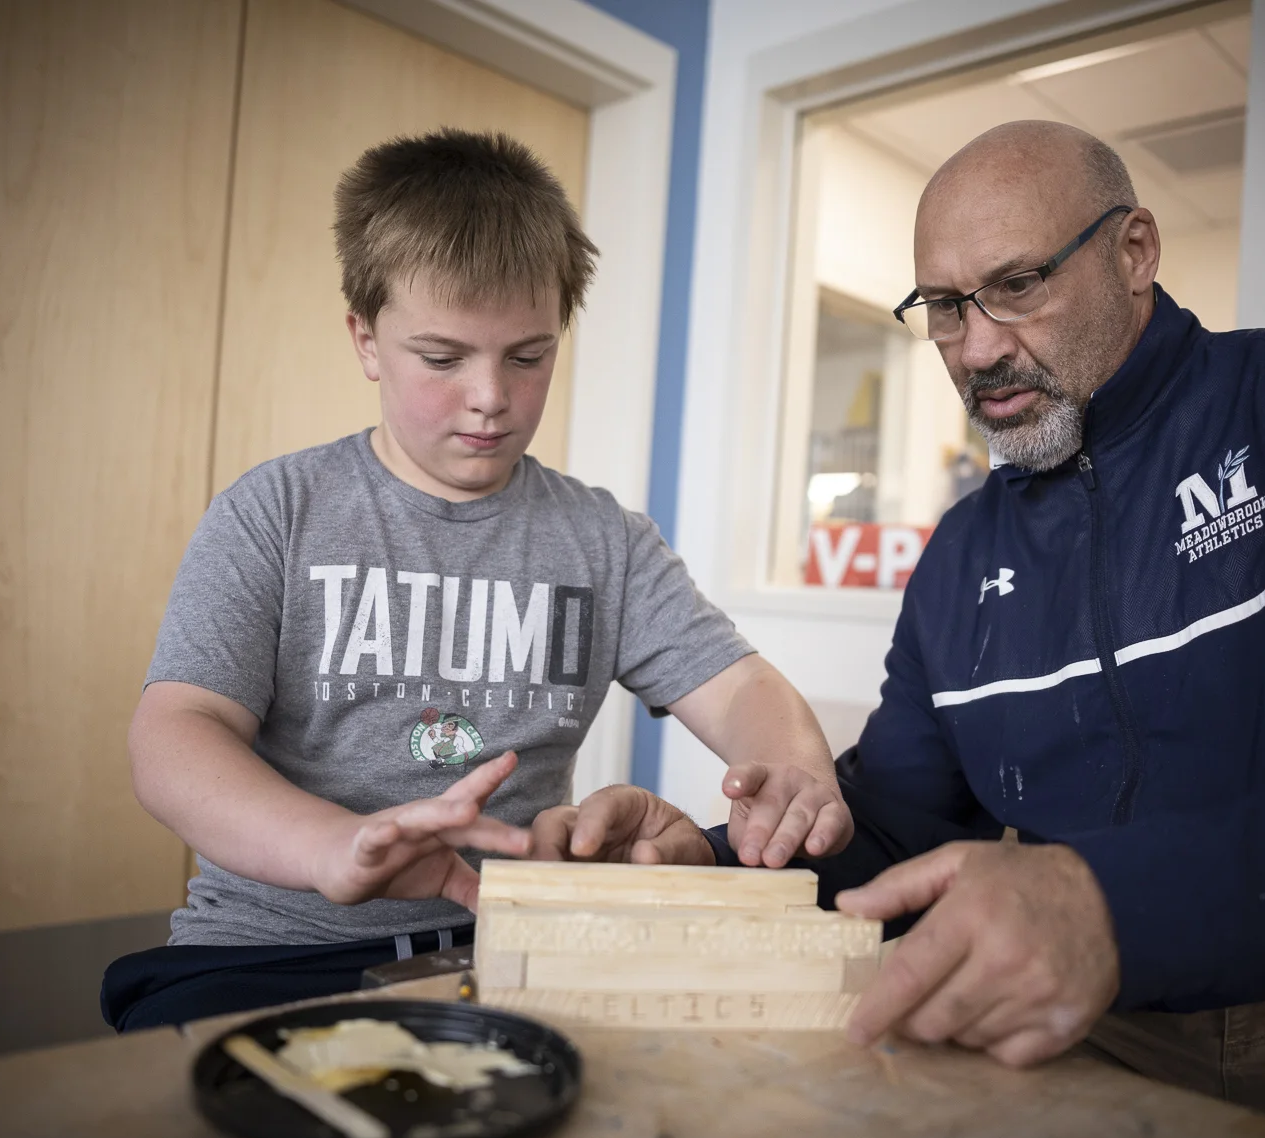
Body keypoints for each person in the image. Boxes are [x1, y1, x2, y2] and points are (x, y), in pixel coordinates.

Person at [613, 120, 1265, 1138]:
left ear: (1137, 251)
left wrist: (1113, 906)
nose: (975, 349)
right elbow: (896, 818)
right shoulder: (961, 552)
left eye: (1016, 285)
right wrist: (725, 862)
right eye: (943, 308)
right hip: (1097, 1027)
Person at [101, 129, 851, 1033]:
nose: (491, 395)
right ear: (366, 340)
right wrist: (332, 847)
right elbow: (176, 735)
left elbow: (741, 691)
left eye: (527, 357)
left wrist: (798, 771)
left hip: (505, 952)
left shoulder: (602, 540)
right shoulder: (276, 511)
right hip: (269, 948)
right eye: (444, 358)